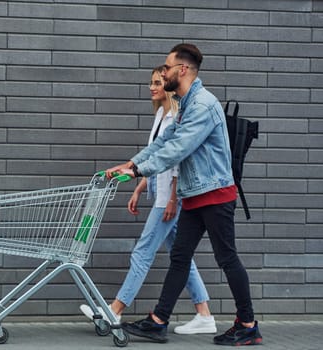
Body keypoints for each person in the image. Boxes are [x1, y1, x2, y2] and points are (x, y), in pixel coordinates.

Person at [105, 43, 262, 346]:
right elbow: (163, 142)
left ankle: (247, 324)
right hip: (195, 195)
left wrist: (139, 172)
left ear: (183, 69)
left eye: (167, 67)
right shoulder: (185, 103)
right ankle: (158, 321)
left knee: (227, 258)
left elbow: (178, 149)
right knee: (179, 257)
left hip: (215, 195)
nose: (163, 73)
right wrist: (131, 164)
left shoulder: (202, 105)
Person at [79, 66, 216, 336]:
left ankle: (115, 310)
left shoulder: (177, 115)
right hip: (159, 193)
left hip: (169, 198)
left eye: (158, 82)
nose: (152, 87)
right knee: (182, 257)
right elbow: (154, 157)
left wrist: (173, 200)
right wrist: (140, 187)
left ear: (168, 83)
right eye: (151, 82)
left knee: (142, 253)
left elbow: (177, 160)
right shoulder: (160, 114)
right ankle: (205, 315)